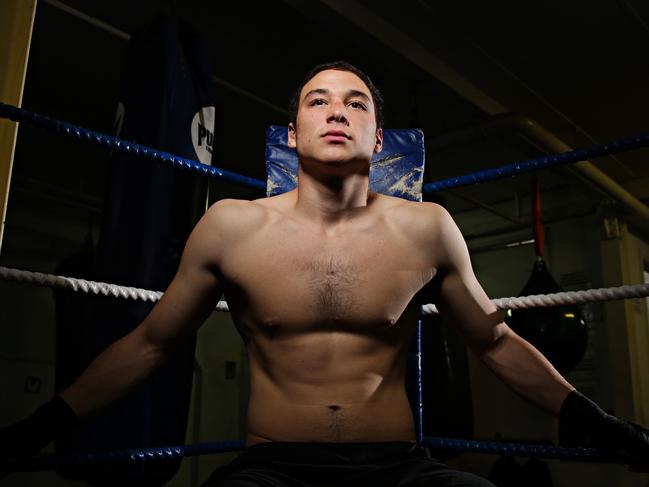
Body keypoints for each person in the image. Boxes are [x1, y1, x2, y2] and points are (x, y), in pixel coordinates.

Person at [1, 61, 648, 486]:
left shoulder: (427, 227)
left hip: (401, 467)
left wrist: (601, 424)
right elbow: (151, 342)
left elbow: (494, 341)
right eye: (318, 101)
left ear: (377, 137)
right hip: (273, 468)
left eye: (355, 103)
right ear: (290, 134)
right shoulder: (231, 226)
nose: (336, 111)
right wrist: (40, 427)